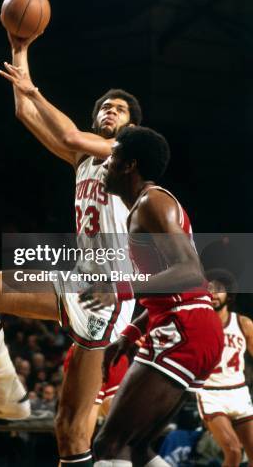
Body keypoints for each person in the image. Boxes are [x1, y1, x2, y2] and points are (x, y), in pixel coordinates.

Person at [0, 32, 142, 466]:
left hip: (109, 292)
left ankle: (13, 398)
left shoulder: (126, 152)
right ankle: (6, 394)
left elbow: (73, 136)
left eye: (118, 109)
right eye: (104, 107)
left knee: (77, 429)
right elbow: (25, 113)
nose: (108, 111)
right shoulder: (84, 161)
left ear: (130, 125)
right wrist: (20, 47)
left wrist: (35, 90)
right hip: (79, 281)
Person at [79, 126, 224, 467]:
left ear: (129, 165)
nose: (104, 166)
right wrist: (132, 333)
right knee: (139, 448)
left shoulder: (153, 201)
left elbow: (190, 272)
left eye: (111, 158)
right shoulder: (144, 207)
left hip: (185, 327)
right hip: (192, 327)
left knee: (108, 446)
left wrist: (119, 288)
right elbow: (172, 285)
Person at [196, 270, 253, 466]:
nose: (213, 293)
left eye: (218, 289)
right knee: (234, 451)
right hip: (211, 395)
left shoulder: (244, 324)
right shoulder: (197, 324)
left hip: (239, 392)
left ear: (229, 294)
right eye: (209, 289)